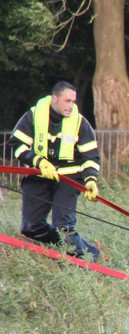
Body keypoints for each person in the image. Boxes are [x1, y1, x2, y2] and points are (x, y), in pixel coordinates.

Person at [9, 81, 101, 259]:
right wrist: (38, 162)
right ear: (55, 99)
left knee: (64, 228)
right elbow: (17, 144)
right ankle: (73, 250)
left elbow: (91, 157)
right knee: (31, 228)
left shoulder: (80, 123)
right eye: (67, 101)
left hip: (69, 178)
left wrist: (90, 180)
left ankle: (86, 258)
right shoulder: (33, 116)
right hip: (39, 175)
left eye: (73, 102)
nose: (71, 106)